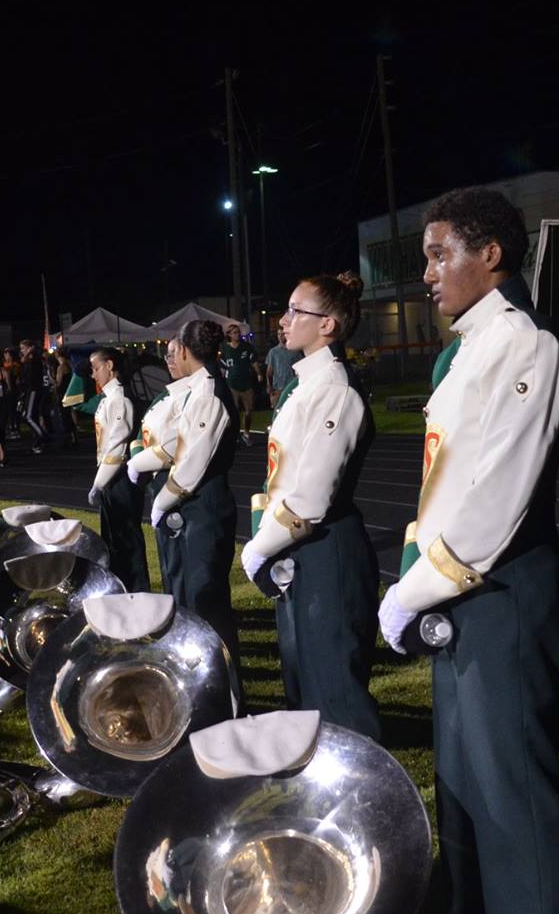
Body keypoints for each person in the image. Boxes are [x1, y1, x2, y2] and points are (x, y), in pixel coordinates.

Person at [378, 188, 559, 914]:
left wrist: (414, 589)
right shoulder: (469, 349)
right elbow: (445, 486)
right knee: (462, 783)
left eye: (438, 254)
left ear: (490, 253)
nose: (427, 274)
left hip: (497, 591)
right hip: (457, 589)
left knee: (515, 798)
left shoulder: (527, 345)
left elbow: (496, 499)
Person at [238, 273, 380, 739]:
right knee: (304, 694)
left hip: (326, 550)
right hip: (300, 549)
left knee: (337, 703)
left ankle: (366, 787)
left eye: (296, 310)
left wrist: (258, 549)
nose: (284, 320)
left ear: (328, 325)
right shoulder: (306, 384)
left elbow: (312, 498)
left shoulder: (334, 389)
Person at [138, 321, 241, 679]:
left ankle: (222, 686)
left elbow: (192, 461)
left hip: (204, 504)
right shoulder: (197, 388)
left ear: (183, 350)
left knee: (206, 604)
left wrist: (161, 502)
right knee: (187, 598)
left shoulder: (207, 392)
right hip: (194, 503)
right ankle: (195, 680)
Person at [84, 347, 148, 592]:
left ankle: (136, 593)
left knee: (127, 540)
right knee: (114, 540)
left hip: (120, 478)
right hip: (111, 477)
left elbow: (117, 447)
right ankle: (122, 592)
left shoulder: (119, 399)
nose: (93, 374)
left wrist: (99, 483)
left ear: (109, 366)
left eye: (96, 368)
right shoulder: (109, 398)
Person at [221, 322, 260, 445]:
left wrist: (259, 373)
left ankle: (246, 434)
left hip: (246, 382)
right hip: (232, 383)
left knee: (249, 411)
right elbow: (223, 366)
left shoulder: (246, 346)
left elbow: (253, 360)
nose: (237, 335)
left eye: (238, 332)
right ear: (229, 335)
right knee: (234, 411)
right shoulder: (224, 348)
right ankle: (235, 434)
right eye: (234, 333)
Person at [264, 319, 302, 413]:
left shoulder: (295, 351)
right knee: (277, 412)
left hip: (291, 386)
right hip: (278, 387)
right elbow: (269, 371)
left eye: (282, 334)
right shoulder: (273, 352)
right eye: (278, 334)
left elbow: (300, 369)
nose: (280, 336)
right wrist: (269, 385)